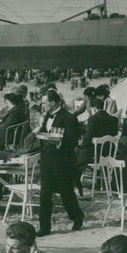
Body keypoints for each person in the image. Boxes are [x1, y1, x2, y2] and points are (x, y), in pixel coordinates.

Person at [36, 90, 84, 236]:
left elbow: (72, 141)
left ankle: (77, 216)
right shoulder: (46, 117)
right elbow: (44, 133)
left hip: (63, 162)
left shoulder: (69, 118)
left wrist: (57, 141)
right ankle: (44, 227)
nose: (42, 105)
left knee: (66, 193)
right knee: (44, 195)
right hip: (47, 160)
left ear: (52, 102)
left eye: (44, 102)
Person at [0, 89, 29, 157]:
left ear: (13, 103)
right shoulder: (17, 109)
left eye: (7, 103)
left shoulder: (16, 111)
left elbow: (6, 126)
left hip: (9, 134)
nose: (7, 105)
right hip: (10, 132)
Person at [76, 97, 119, 170]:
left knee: (78, 151)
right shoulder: (114, 120)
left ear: (94, 108)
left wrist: (80, 146)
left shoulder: (93, 119)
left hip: (96, 154)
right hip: (110, 153)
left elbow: (88, 139)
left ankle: (78, 177)